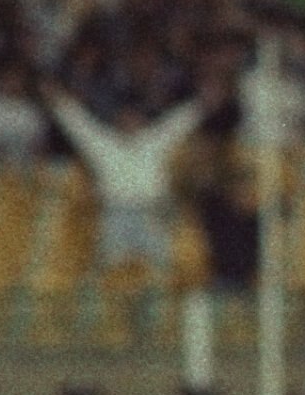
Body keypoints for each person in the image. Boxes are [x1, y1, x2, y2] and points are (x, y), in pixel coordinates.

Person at [44, 79, 212, 280]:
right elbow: (78, 123)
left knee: (164, 270)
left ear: (143, 120)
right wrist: (57, 98)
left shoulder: (155, 140)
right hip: (116, 212)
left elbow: (178, 123)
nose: (130, 121)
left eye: (135, 117)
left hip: (152, 211)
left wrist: (202, 102)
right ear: (117, 120)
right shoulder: (103, 144)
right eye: (125, 117)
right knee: (106, 269)